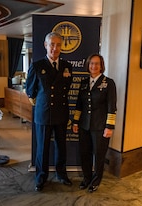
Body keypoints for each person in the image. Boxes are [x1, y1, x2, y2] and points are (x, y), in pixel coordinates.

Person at [26, 32, 73, 192]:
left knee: (61, 147)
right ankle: (41, 177)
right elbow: (30, 90)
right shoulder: (37, 65)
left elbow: (66, 89)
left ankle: (62, 174)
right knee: (42, 148)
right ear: (46, 45)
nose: (55, 48)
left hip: (61, 112)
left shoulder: (67, 66)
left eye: (58, 45)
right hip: (43, 113)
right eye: (52, 44)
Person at [72, 53, 117, 193]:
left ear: (101, 66)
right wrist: (75, 122)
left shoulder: (108, 83)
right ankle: (86, 178)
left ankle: (96, 180)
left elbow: (112, 106)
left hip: (100, 126)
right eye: (91, 63)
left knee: (99, 154)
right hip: (84, 125)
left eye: (97, 63)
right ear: (88, 65)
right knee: (84, 153)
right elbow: (79, 104)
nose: (94, 66)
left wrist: (109, 126)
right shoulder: (84, 82)